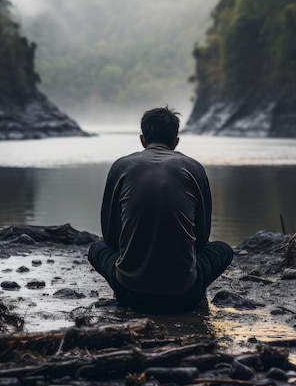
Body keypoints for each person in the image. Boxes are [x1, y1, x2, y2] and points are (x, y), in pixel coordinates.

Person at [88, 106, 233, 313]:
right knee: (223, 250)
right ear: (175, 142)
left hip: (129, 293)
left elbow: (110, 237)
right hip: (184, 296)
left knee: (97, 249)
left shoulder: (120, 167)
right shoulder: (194, 168)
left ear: (142, 139)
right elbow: (201, 239)